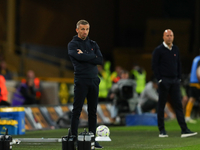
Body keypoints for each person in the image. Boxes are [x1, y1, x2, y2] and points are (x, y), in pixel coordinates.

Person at [152, 29, 197, 138]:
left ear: (173, 37)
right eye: (167, 35)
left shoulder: (176, 49)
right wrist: (160, 79)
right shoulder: (158, 50)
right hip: (164, 81)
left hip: (174, 81)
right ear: (163, 37)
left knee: (178, 105)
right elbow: (154, 66)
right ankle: (162, 130)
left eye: (171, 35)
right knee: (161, 105)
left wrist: (178, 78)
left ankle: (184, 130)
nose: (169, 37)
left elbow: (178, 64)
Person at [68, 20, 103, 149]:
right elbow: (81, 58)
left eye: (87, 29)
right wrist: (92, 57)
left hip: (94, 80)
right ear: (77, 30)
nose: (85, 32)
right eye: (82, 29)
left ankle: (92, 139)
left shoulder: (93, 43)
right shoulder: (72, 44)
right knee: (77, 110)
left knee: (92, 112)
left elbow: (100, 60)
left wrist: (85, 56)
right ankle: (74, 138)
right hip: (81, 80)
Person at [185, 55, 200, 123]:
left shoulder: (196, 58)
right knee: (193, 99)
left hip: (192, 82)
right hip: (197, 82)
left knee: (191, 99)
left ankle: (187, 116)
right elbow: (199, 71)